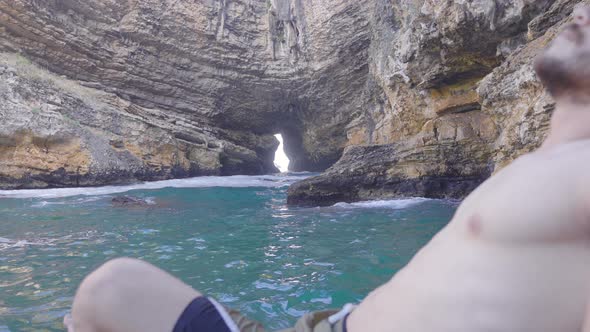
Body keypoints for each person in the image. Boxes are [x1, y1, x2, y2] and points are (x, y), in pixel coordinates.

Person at [64, 5, 590, 332]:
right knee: (111, 290)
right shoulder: (545, 160)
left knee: (110, 290)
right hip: (326, 325)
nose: (579, 14)